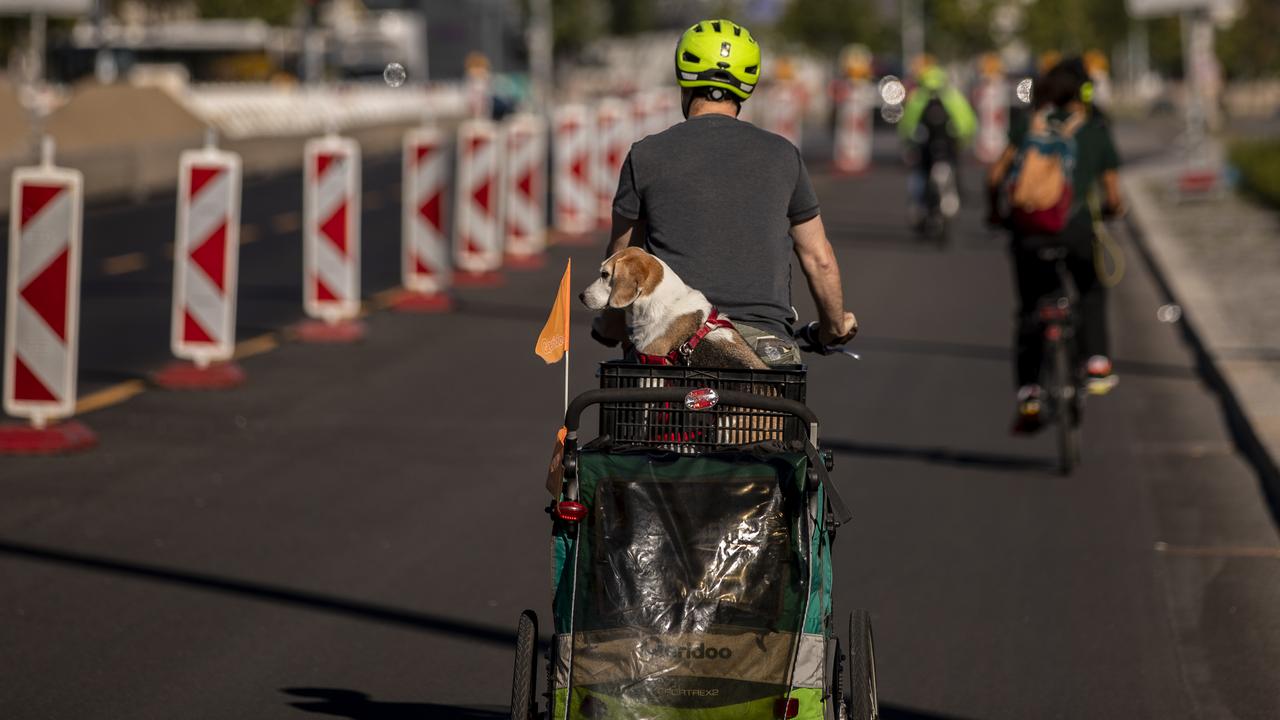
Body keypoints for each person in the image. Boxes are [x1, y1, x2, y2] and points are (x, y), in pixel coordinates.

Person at [595, 18, 857, 366]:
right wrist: (834, 326)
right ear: (746, 85)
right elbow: (818, 257)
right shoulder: (782, 154)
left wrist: (612, 323)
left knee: (636, 409)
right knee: (782, 413)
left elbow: (624, 254)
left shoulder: (646, 155)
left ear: (684, 78)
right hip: (763, 347)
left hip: (671, 346)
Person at [987, 58, 1124, 434]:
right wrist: (1112, 211)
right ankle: (1095, 361)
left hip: (1028, 233)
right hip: (1076, 231)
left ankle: (1029, 391)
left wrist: (995, 213)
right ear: (1081, 94)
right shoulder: (1094, 131)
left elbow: (996, 175)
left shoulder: (1025, 126)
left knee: (1030, 308)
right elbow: (1113, 194)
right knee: (1091, 290)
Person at [897, 64, 978, 226]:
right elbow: (969, 122)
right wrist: (963, 140)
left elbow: (906, 125)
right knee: (951, 171)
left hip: (925, 148)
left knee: (918, 175)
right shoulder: (953, 96)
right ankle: (951, 198)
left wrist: (907, 141)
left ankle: (917, 207)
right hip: (948, 147)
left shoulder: (918, 97)